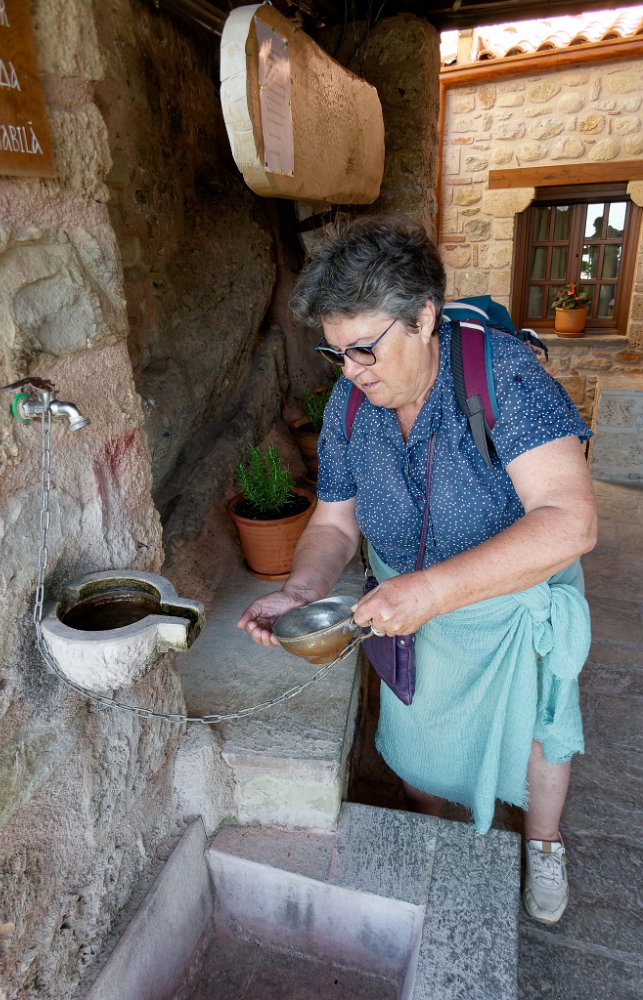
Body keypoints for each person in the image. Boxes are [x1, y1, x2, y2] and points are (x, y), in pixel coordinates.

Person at [237, 216, 597, 925]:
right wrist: (300, 591)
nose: (349, 371)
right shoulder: (351, 403)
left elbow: (570, 520)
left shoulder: (502, 376)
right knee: (418, 738)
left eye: (363, 349)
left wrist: (432, 590)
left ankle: (543, 843)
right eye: (336, 352)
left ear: (424, 318)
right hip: (406, 606)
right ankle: (429, 833)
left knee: (534, 735)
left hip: (504, 604)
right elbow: (333, 523)